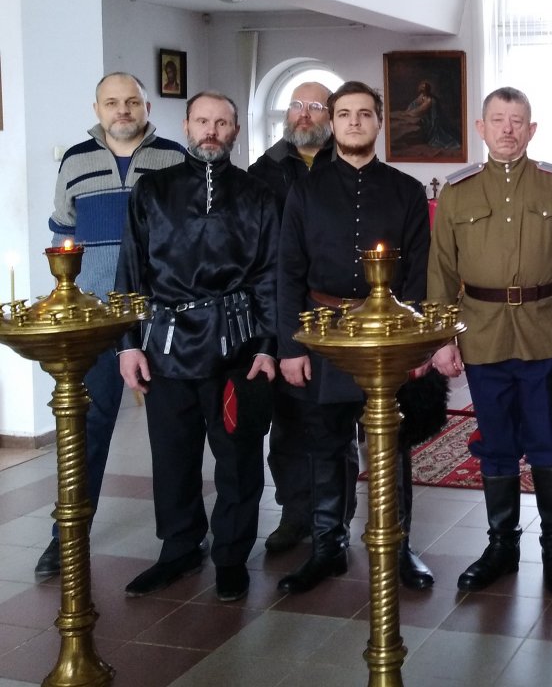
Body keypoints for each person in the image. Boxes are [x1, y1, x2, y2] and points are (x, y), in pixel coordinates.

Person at [427, 86, 552, 594]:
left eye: (517, 120)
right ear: (481, 128)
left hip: (546, 331)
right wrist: (442, 338)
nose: (507, 129)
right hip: (481, 333)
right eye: (497, 120)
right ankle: (502, 546)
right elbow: (441, 270)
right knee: (496, 442)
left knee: (548, 442)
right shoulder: (457, 191)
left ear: (531, 129)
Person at [115, 91, 279, 604]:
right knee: (172, 453)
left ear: (235, 131)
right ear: (186, 125)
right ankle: (179, 548)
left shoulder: (258, 195)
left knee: (238, 456)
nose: (212, 130)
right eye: (203, 121)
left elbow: (271, 275)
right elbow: (131, 269)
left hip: (236, 346)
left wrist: (268, 346)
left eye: (222, 123)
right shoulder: (151, 190)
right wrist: (128, 345)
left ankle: (231, 556)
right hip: (165, 345)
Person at [276, 81, 434, 594]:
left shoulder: (406, 191)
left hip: (387, 332)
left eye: (365, 114)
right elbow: (288, 272)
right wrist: (290, 346)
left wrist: (416, 345)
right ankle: (328, 544)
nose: (355, 122)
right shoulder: (306, 190)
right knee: (327, 440)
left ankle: (399, 544)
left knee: (391, 443)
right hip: (326, 331)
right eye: (344, 114)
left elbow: (419, 274)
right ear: (333, 122)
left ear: (379, 122)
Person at [35, 72, 185, 579]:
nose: (123, 110)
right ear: (97, 109)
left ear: (147, 107)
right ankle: (66, 535)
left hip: (161, 313)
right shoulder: (75, 161)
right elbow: (63, 230)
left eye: (132, 102)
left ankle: (183, 538)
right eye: (112, 102)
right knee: (88, 426)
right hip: (96, 317)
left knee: (174, 428)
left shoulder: (173, 159)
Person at [249, 81, 337, 555]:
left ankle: (333, 517)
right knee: (288, 422)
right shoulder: (263, 172)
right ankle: (294, 512)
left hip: (336, 310)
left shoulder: (345, 165)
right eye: (297, 105)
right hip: (282, 309)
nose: (305, 114)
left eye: (316, 106)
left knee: (335, 421)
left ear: (331, 116)